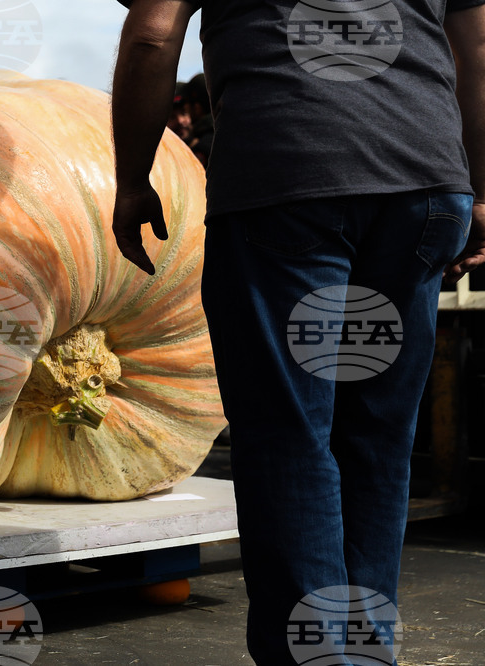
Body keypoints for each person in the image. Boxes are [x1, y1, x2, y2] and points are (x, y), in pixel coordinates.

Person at [111, 1, 485, 664]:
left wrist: (134, 178)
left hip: (288, 174)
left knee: (289, 436)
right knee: (377, 438)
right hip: (421, 186)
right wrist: (480, 190)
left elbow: (152, 33)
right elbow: (478, 46)